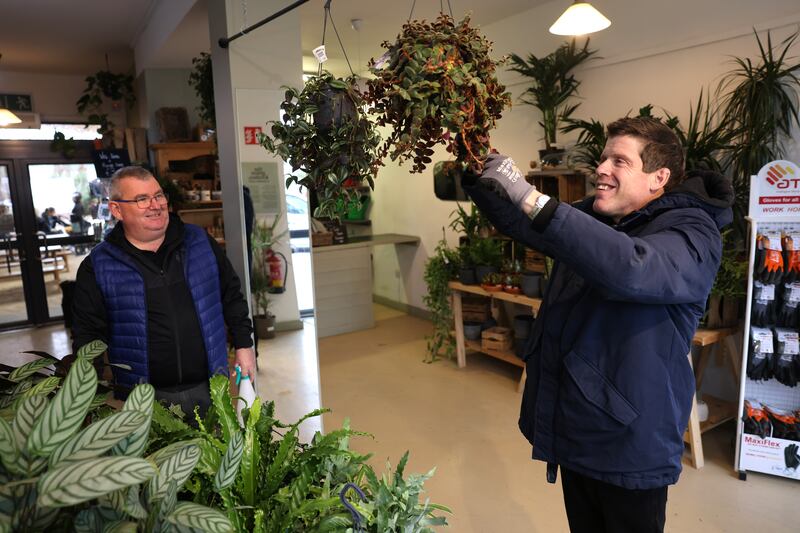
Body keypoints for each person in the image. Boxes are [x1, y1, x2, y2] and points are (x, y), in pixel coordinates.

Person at [463, 117, 733, 533]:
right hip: (581, 423)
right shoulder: (601, 215)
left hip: (630, 441)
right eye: (604, 157)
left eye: (619, 161)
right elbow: (530, 226)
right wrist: (481, 175)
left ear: (658, 176)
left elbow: (633, 266)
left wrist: (532, 197)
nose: (601, 168)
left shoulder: (693, 231)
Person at [71, 166, 256, 419]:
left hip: (212, 387)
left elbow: (231, 295)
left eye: (158, 196)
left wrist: (245, 345)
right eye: (141, 199)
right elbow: (87, 335)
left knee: (220, 456)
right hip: (144, 401)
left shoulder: (199, 242)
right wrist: (85, 396)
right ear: (116, 209)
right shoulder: (99, 265)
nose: (155, 205)